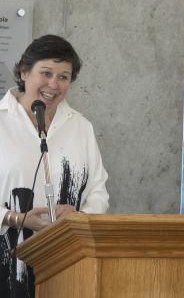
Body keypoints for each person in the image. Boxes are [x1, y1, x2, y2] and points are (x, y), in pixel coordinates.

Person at [0, 35, 109, 297]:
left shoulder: (80, 126)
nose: (54, 84)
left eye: (64, 77)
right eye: (46, 73)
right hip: (6, 262)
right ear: (24, 71)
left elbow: (98, 190)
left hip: (65, 261)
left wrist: (78, 219)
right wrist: (17, 219)